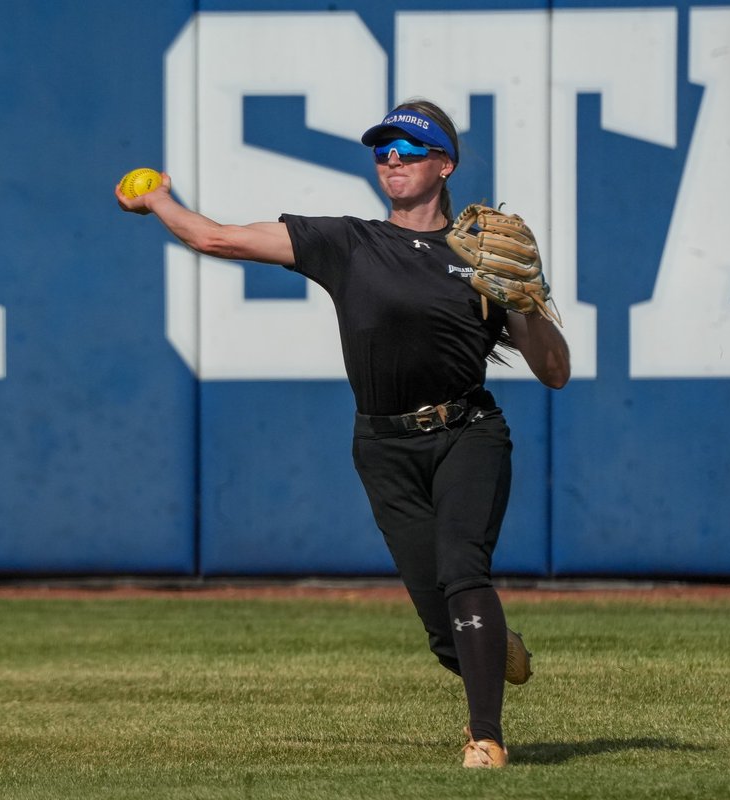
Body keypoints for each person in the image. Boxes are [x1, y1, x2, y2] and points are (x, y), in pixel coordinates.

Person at [115, 99, 571, 768]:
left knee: (462, 571)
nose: (392, 160)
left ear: (444, 165)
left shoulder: (481, 257)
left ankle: (486, 737)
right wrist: (159, 200)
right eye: (383, 150)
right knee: (444, 630)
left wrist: (524, 301)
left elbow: (555, 373)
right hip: (384, 448)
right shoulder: (349, 243)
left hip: (467, 432)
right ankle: (492, 645)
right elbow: (217, 239)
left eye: (408, 150)